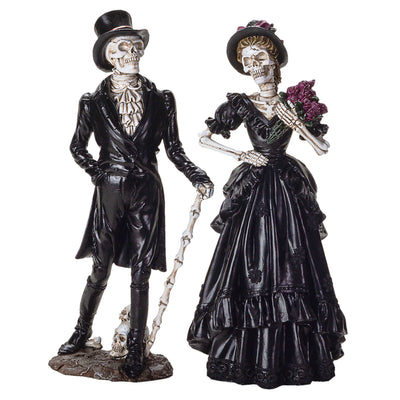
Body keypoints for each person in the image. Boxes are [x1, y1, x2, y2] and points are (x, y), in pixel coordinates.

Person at [187, 20, 346, 389]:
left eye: (258, 57)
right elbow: (203, 137)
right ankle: (246, 354)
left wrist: (298, 124)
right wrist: (241, 153)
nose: (253, 66)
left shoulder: (293, 103)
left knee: (294, 260)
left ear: (275, 60)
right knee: (248, 258)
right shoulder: (242, 105)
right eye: (247, 61)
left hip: (287, 189)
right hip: (254, 185)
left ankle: (294, 355)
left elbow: (322, 149)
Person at [58, 10, 213, 379]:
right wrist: (98, 172)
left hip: (147, 190)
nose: (133, 53)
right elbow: (77, 146)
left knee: (141, 273)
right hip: (110, 189)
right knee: (100, 267)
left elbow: (174, 148)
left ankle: (134, 347)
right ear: (109, 55)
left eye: (136, 46)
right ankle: (81, 331)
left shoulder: (162, 99)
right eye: (124, 47)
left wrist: (196, 174)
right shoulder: (92, 101)